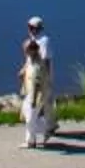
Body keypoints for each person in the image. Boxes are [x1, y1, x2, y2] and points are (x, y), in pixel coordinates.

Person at [21, 15, 57, 148]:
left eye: (33, 28)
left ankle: (39, 134)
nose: (30, 30)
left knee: (36, 110)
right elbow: (29, 61)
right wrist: (23, 70)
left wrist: (46, 80)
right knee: (36, 110)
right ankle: (47, 128)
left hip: (41, 80)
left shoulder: (44, 41)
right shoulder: (32, 41)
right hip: (34, 81)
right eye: (29, 27)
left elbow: (45, 61)